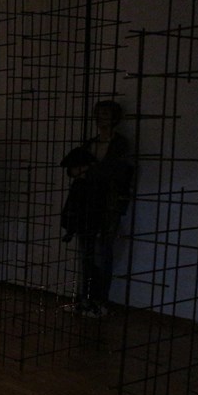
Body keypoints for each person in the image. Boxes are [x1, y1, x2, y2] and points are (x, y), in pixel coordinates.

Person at [59, 100, 134, 318]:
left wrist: (87, 171)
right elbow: (72, 169)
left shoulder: (120, 144)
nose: (101, 119)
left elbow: (113, 171)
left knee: (103, 253)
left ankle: (100, 301)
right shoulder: (90, 143)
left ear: (115, 118)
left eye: (106, 115)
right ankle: (86, 299)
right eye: (99, 114)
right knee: (87, 254)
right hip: (87, 204)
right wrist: (88, 170)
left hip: (108, 205)